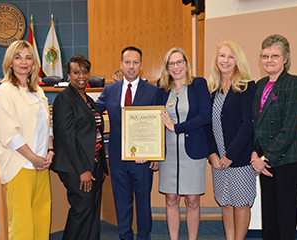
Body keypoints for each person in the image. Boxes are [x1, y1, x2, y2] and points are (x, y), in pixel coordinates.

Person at [96, 46, 158, 240]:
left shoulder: (153, 91)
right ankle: (125, 237)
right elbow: (94, 112)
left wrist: (156, 155)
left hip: (143, 158)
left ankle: (143, 237)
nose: (131, 67)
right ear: (121, 64)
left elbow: (159, 124)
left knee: (143, 203)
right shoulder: (110, 90)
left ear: (141, 65)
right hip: (117, 157)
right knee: (122, 203)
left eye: (135, 62)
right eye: (127, 62)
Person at [0, 40, 53, 240]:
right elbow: (10, 134)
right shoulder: (6, 90)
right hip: (21, 165)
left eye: (28, 57)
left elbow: (47, 125)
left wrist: (49, 152)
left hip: (41, 165)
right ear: (10, 62)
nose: (23, 62)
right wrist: (33, 158)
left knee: (42, 218)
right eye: (18, 57)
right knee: (22, 224)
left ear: (34, 63)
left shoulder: (38, 91)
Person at [250, 34, 297, 240]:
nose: (269, 60)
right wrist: (255, 154)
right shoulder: (259, 85)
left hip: (288, 161)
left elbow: (290, 128)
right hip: (265, 162)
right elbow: (256, 124)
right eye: (265, 56)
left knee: (285, 220)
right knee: (270, 220)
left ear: (285, 58)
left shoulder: (294, 83)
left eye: (274, 55)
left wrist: (265, 159)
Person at [155, 47, 211, 240]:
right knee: (171, 199)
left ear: (186, 64)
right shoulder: (162, 89)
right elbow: (155, 121)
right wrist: (155, 153)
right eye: (172, 63)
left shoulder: (198, 84)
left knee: (193, 201)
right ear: (167, 68)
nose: (176, 66)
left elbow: (205, 116)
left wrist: (176, 127)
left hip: (193, 151)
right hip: (169, 153)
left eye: (180, 62)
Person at [51, 55, 109, 240]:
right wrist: (83, 170)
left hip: (94, 163)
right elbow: (67, 138)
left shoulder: (87, 98)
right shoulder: (64, 98)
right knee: (82, 209)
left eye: (85, 72)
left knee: (91, 209)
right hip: (77, 167)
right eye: (76, 72)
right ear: (68, 74)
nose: (81, 76)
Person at [205, 41, 256, 240]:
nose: (225, 60)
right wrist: (212, 154)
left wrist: (229, 156)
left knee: (240, 203)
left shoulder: (246, 86)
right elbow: (207, 125)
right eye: (222, 56)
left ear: (237, 61)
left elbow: (247, 126)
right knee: (225, 203)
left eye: (230, 56)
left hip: (239, 159)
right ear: (216, 59)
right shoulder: (212, 89)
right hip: (218, 160)